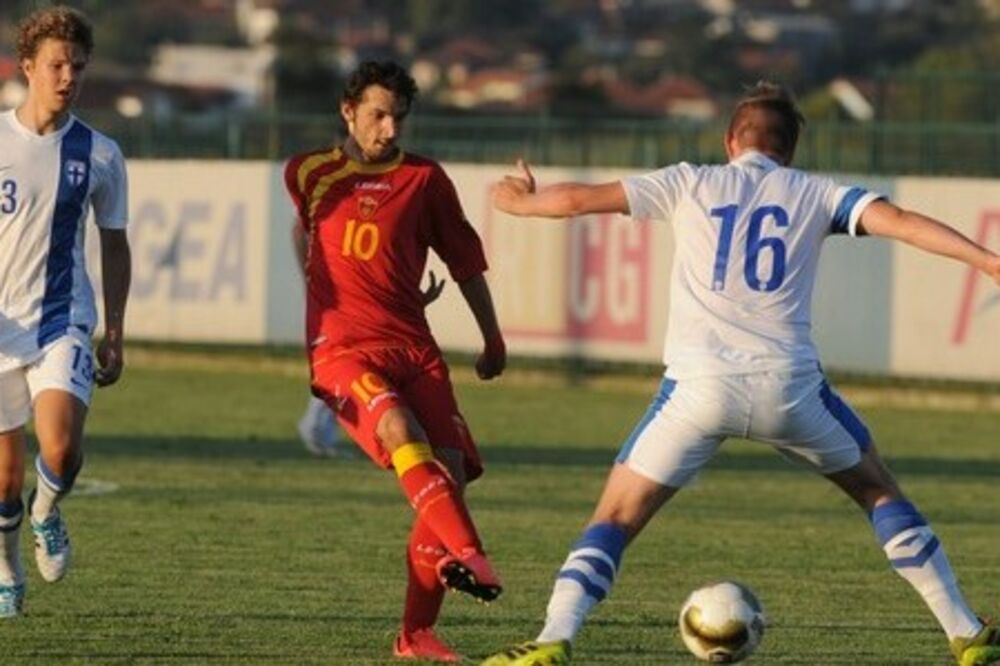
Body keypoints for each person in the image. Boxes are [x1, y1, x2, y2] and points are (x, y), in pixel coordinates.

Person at [480, 82, 1000, 666]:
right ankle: (964, 633)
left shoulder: (689, 180)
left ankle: (554, 638)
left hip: (698, 390)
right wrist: (988, 262)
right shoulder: (817, 191)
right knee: (878, 491)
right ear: (792, 151)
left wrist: (518, 201)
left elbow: (577, 200)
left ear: (731, 140)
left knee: (615, 517)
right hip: (791, 388)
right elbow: (902, 221)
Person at [283, 60, 507, 662]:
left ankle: (415, 636)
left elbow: (464, 261)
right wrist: (324, 292)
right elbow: (306, 232)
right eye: (377, 115)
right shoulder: (309, 172)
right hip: (343, 351)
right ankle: (473, 555)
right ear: (347, 110)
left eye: (398, 117)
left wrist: (493, 337)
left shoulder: (426, 180)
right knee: (400, 429)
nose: (388, 129)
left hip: (415, 346)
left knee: (450, 478)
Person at [0, 6, 130, 619]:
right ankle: (6, 568)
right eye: (56, 64)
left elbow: (114, 239)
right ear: (28, 67)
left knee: (61, 448)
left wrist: (116, 332)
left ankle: (48, 514)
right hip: (1, 331)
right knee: (2, 483)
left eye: (77, 65)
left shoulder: (99, 153)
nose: (68, 75)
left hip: (62, 322)